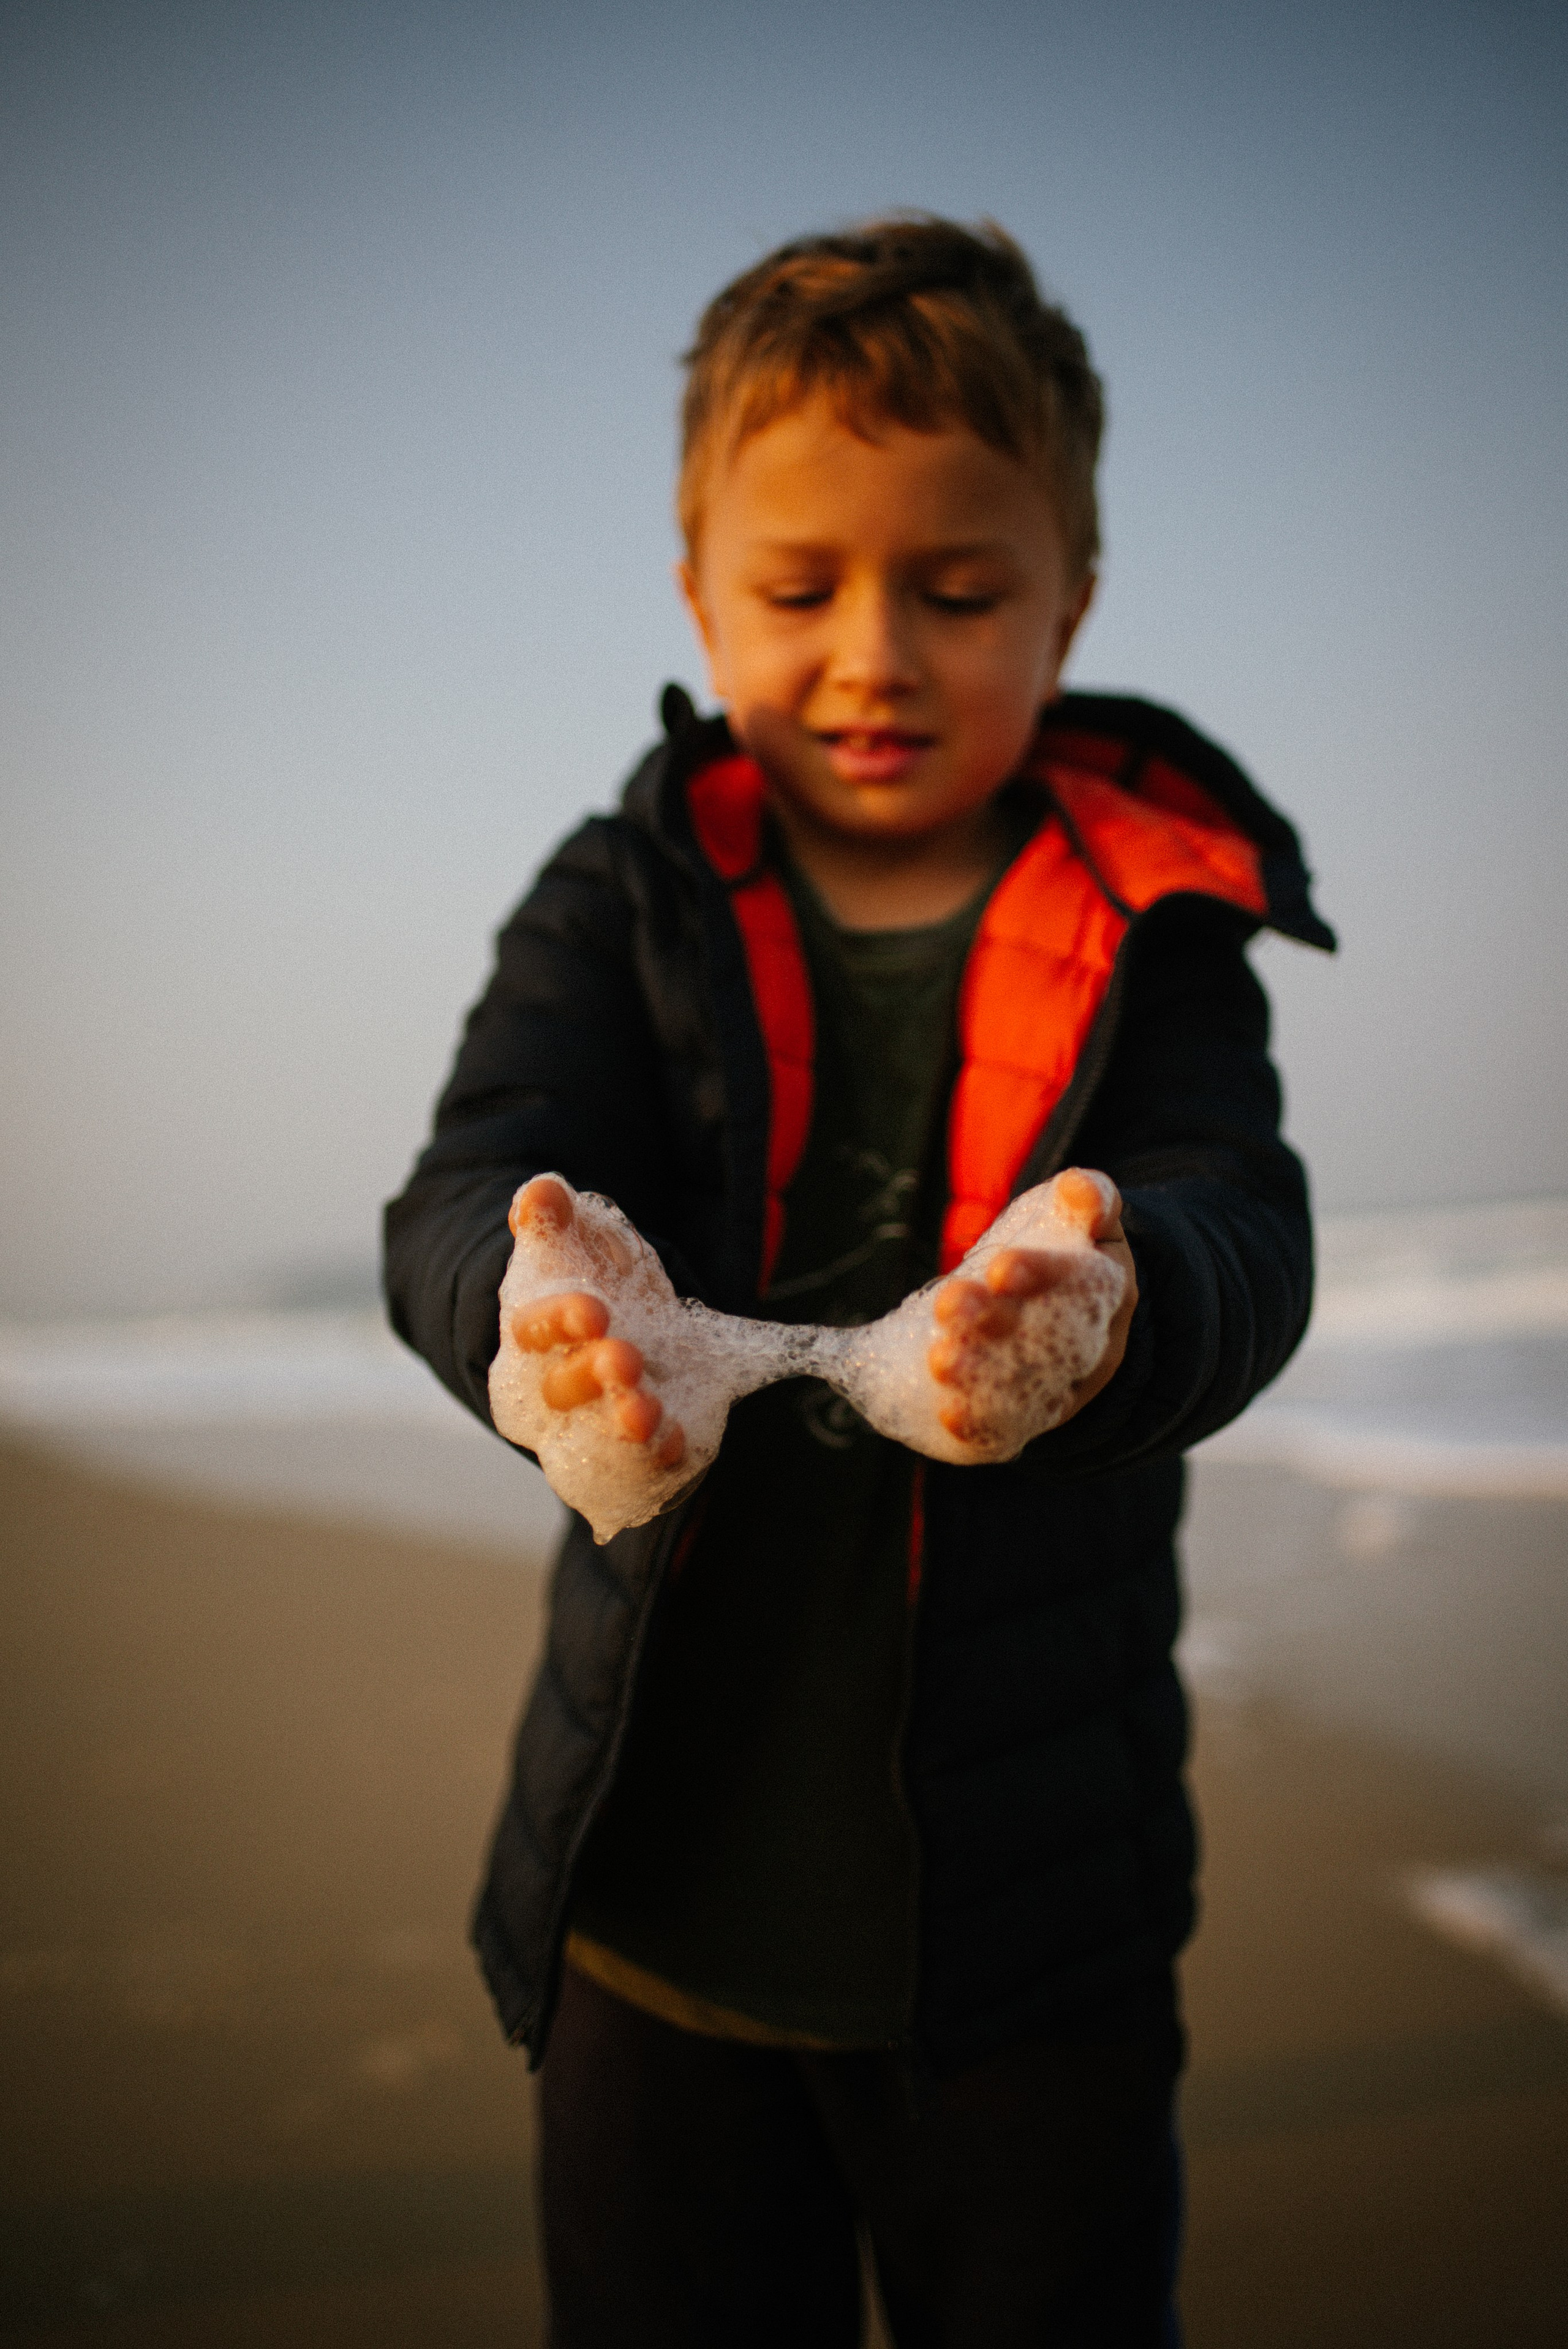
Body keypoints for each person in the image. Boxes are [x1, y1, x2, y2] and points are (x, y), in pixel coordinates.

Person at [383, 216, 1333, 2347]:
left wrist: (1115, 1308)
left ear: (1073, 596)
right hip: (656, 1904)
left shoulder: (1165, 920)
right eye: (800, 590)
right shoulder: (624, 894)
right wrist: (538, 1332)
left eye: (961, 590)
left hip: (1037, 1939)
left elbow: (1241, 1218)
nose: (876, 652)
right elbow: (465, 1186)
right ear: (698, 596)